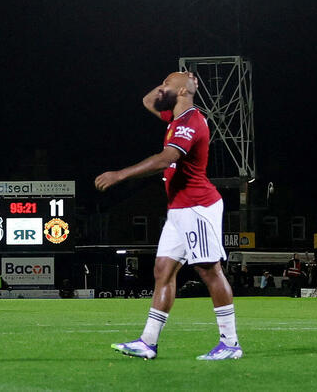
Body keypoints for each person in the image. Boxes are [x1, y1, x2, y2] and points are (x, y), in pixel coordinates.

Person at [96, 71, 242, 361]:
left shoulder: (190, 122)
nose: (161, 89)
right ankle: (148, 342)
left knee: (209, 271)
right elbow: (147, 100)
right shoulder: (175, 118)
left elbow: (165, 159)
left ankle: (230, 344)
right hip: (178, 210)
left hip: (197, 207)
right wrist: (173, 84)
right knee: (163, 270)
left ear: (184, 92)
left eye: (167, 84)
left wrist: (120, 175)